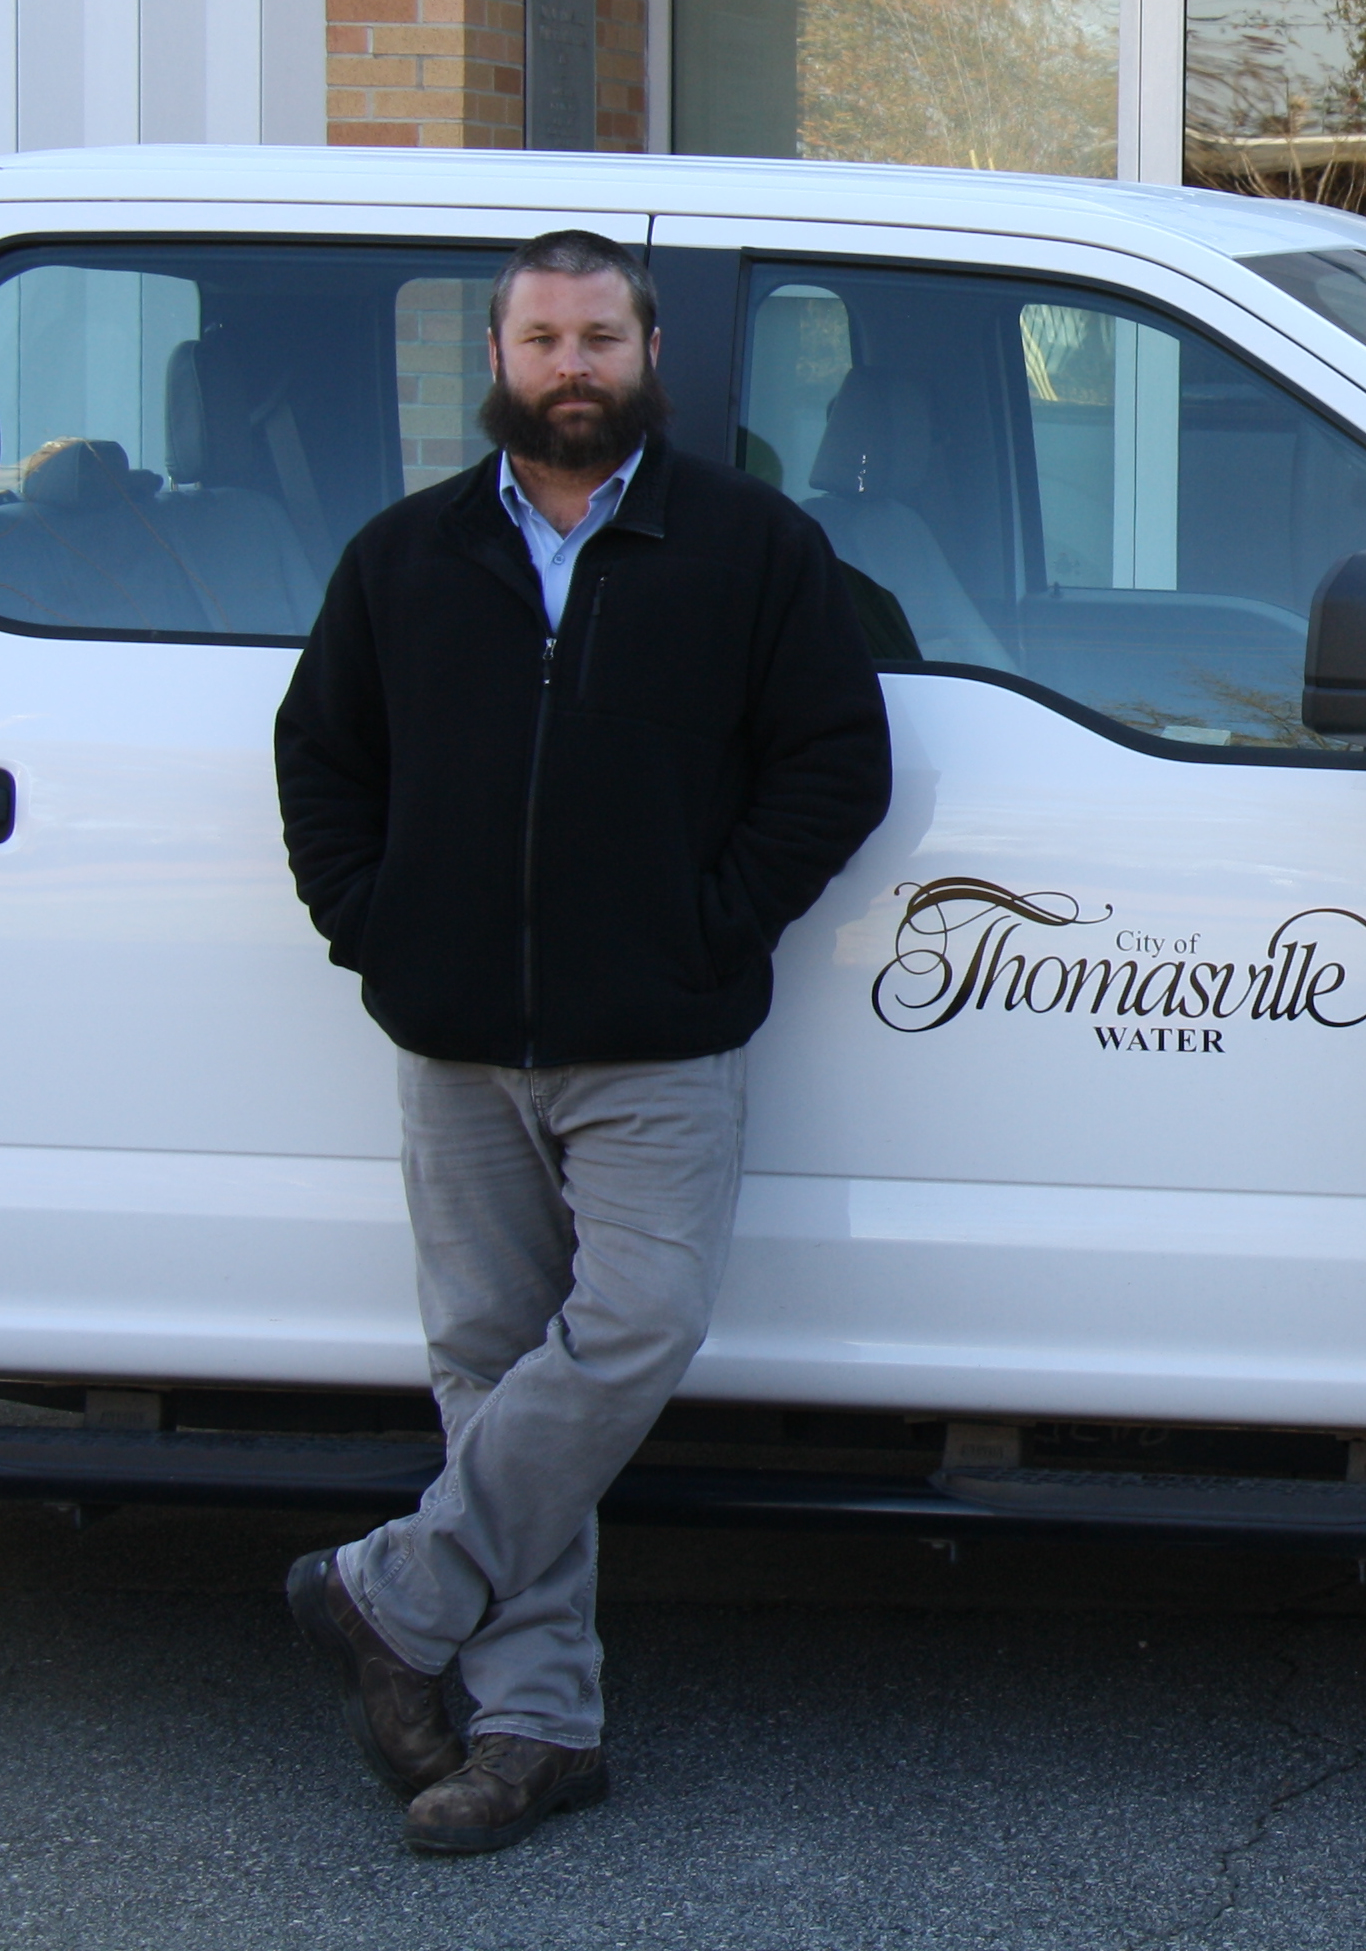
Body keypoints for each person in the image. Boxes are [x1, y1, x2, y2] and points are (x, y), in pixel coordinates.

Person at [272, 230, 893, 1856]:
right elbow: (321, 765)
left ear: (647, 349)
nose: (570, 365)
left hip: (658, 1038)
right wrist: (378, 929)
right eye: (542, 336)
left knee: (635, 1325)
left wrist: (708, 924)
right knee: (486, 1371)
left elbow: (836, 762)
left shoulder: (752, 547)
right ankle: (533, 1728)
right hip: (457, 1041)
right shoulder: (401, 560)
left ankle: (393, 1592)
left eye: (598, 336)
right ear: (495, 351)